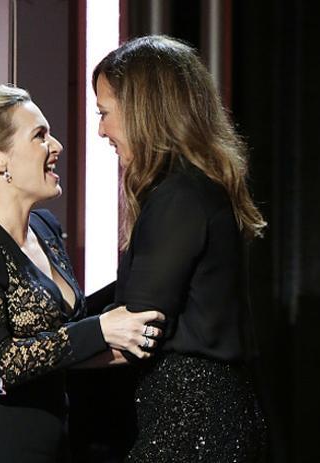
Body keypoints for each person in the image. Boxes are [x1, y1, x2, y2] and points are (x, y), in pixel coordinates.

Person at [0, 85, 164, 463]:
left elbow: (65, 344)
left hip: (54, 444)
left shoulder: (46, 228)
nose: (57, 146)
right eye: (39, 135)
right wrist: (99, 330)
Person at [92, 35, 268, 462]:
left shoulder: (178, 196)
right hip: (207, 413)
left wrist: (27, 357)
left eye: (105, 113)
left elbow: (136, 328)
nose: (101, 131)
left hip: (191, 419)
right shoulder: (193, 190)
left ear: (142, 110)